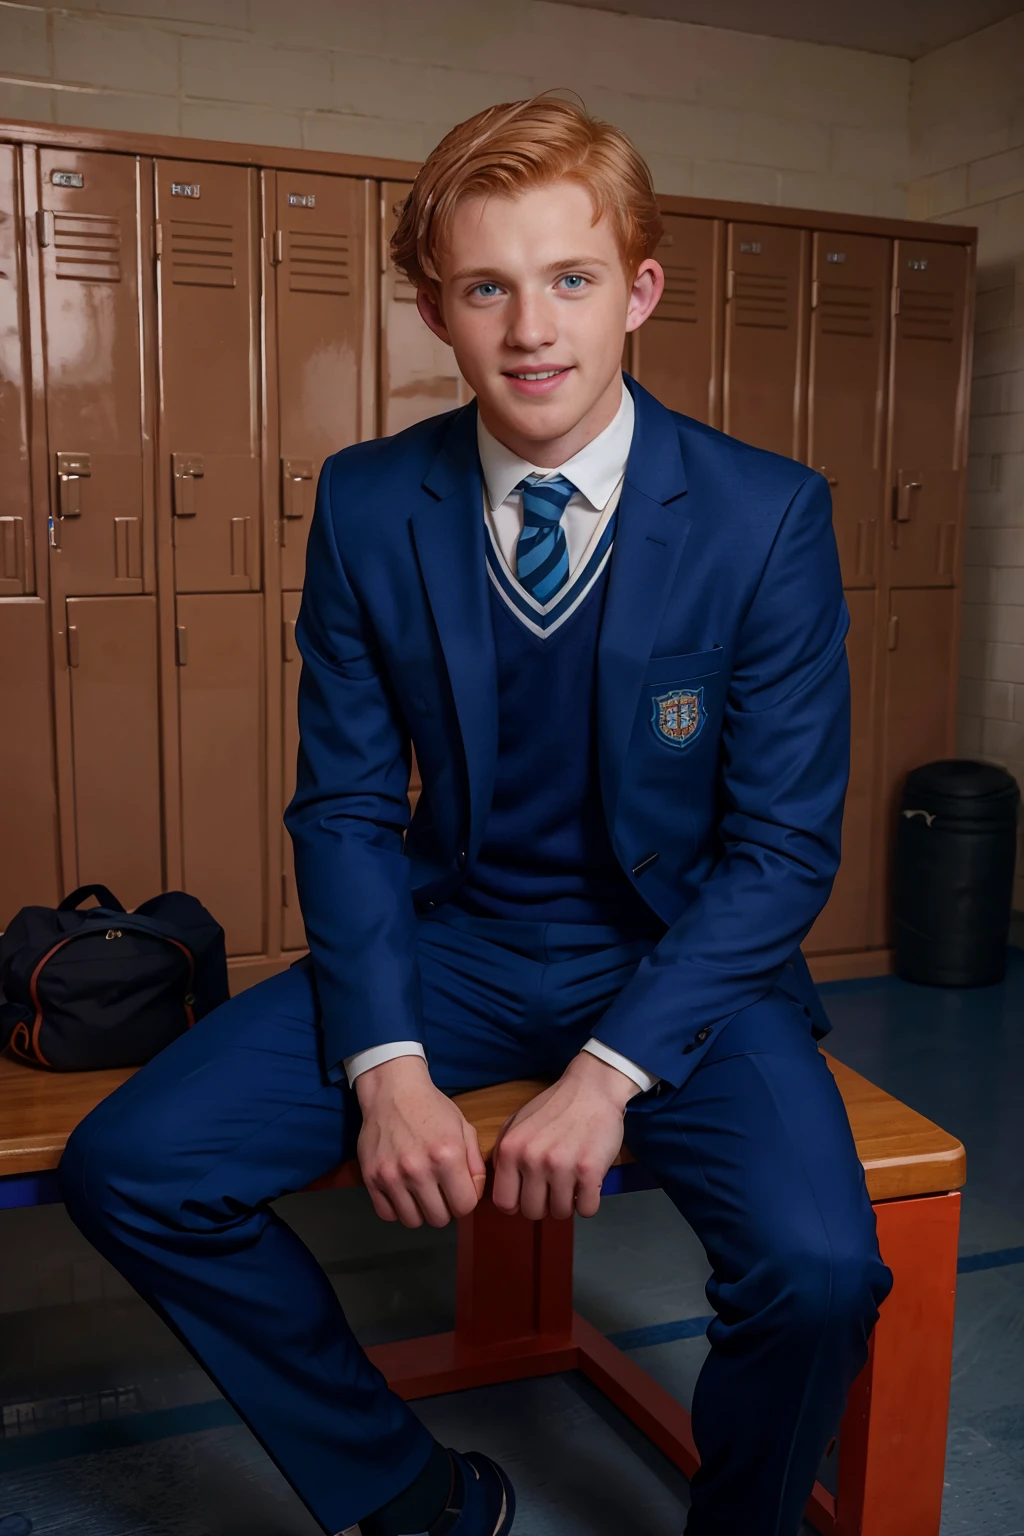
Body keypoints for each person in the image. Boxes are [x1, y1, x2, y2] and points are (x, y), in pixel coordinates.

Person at [60, 96, 892, 1536]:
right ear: (435, 309)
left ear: (636, 289)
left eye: (569, 279)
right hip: (454, 946)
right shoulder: (373, 501)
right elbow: (343, 804)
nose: (531, 330)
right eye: (485, 287)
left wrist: (612, 1069)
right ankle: (407, 1490)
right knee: (133, 1171)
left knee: (821, 1271)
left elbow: (780, 851)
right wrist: (385, 1066)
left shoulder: (767, 515)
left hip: (684, 961)